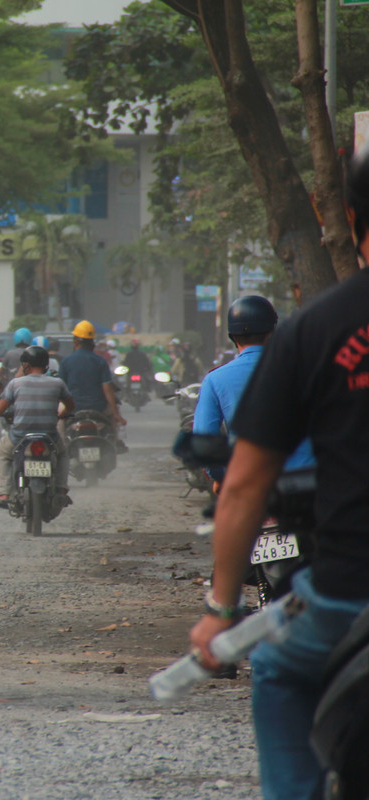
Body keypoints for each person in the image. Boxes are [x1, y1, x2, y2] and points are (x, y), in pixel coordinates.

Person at [188, 146, 369, 800]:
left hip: (349, 588)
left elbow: (238, 482)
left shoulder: (316, 331)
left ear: (345, 218)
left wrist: (219, 611)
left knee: (275, 669)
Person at [192, 295, 315, 483]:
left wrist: (221, 478)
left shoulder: (215, 380)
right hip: (307, 482)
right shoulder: (306, 371)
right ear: (272, 332)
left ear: (232, 336)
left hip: (249, 483)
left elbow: (205, 444)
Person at [0, 345, 74, 506]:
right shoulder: (58, 383)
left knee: (2, 455)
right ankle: (61, 490)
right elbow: (71, 406)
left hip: (20, 436)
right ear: (46, 364)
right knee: (63, 454)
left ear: (25, 365)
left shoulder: (15, 384)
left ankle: (4, 493)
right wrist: (62, 415)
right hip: (49, 436)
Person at [58, 320, 126, 446]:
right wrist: (116, 415)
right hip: (98, 409)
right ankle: (115, 442)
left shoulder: (66, 362)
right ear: (92, 342)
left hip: (73, 409)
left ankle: (61, 446)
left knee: (60, 423)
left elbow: (60, 389)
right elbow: (108, 390)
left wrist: (60, 413)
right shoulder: (100, 361)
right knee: (111, 421)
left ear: (76, 341)